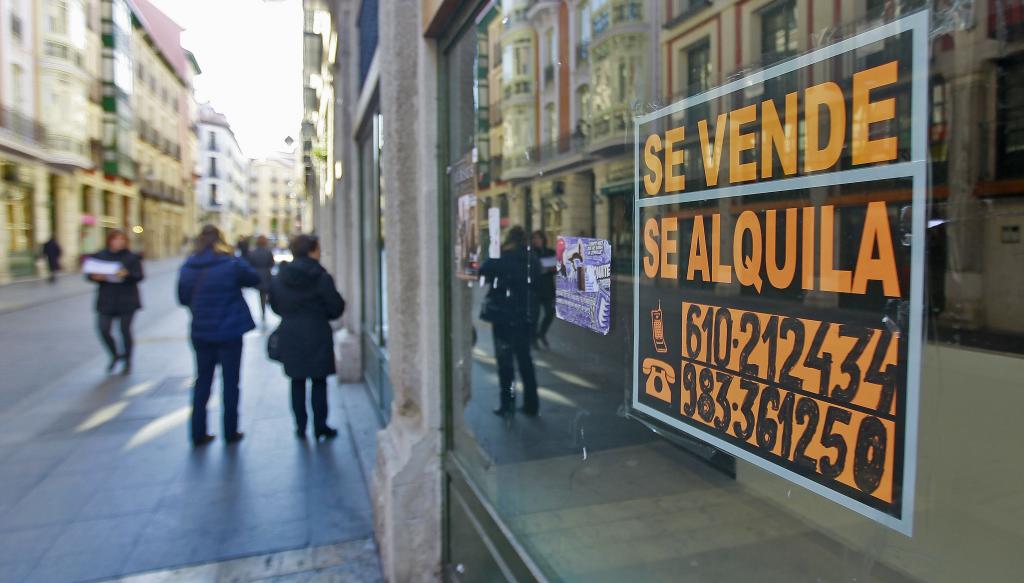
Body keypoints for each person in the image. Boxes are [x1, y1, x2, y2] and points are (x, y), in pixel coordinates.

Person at [177, 225, 260, 446]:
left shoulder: (188, 266)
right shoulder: (229, 263)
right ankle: (230, 431)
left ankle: (198, 432)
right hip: (229, 331)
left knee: (202, 381)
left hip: (201, 332)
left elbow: (183, 298)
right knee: (231, 382)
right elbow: (253, 278)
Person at [270, 234, 346, 440]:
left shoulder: (281, 277)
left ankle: (300, 426)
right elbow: (336, 307)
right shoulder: (321, 277)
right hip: (316, 332)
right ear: (312, 251)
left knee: (297, 381)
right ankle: (320, 426)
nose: (320, 252)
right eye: (318, 248)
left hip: (291, 332)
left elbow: (275, 305)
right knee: (318, 381)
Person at [479, 226, 541, 417]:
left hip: (504, 317)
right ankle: (532, 405)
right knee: (525, 361)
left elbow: (482, 271)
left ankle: (508, 404)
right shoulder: (533, 259)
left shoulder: (502, 257)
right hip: (525, 317)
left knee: (505, 363)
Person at [87, 230, 144, 374]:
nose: (119, 242)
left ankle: (128, 361)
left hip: (127, 299)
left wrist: (126, 274)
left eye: (122, 239)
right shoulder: (100, 256)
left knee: (125, 331)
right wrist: (95, 277)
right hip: (107, 299)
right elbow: (89, 274)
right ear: (110, 241)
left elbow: (139, 276)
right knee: (103, 329)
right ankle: (115, 355)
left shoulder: (131, 257)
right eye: (116, 239)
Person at [530, 230, 556, 348]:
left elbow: (560, 267)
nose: (536, 240)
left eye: (538, 238)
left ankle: (542, 333)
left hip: (548, 288)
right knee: (534, 315)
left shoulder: (551, 252)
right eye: (534, 238)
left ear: (543, 240)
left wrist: (552, 269)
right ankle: (534, 338)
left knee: (550, 313)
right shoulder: (530, 253)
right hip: (534, 289)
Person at [247, 235, 276, 324]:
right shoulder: (268, 252)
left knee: (261, 294)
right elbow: (271, 263)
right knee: (264, 293)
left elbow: (250, 263)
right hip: (266, 275)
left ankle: (263, 310)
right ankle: (265, 308)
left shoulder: (253, 252)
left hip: (257, 275)